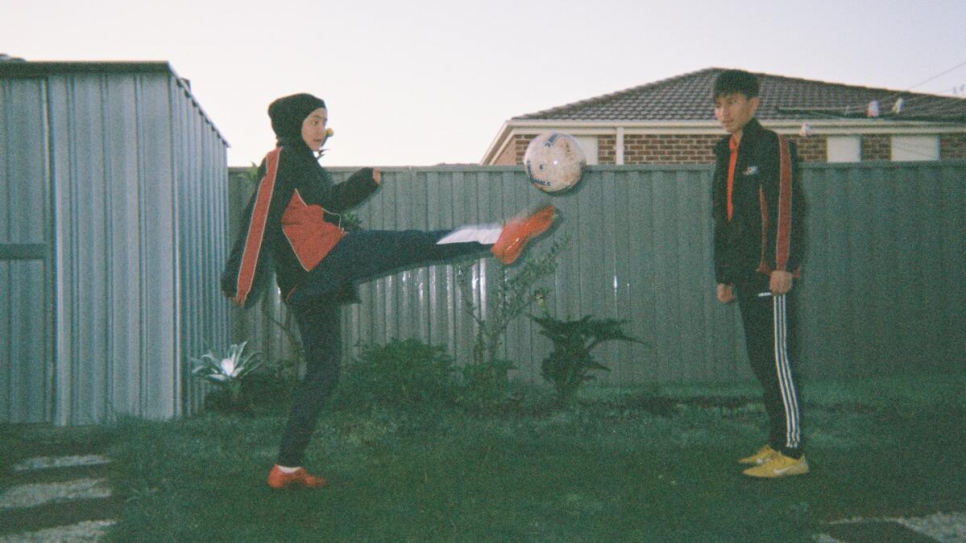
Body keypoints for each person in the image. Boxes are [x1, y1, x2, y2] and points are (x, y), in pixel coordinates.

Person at [221, 93, 556, 489]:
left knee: (323, 374)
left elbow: (326, 206)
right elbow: (258, 217)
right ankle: (500, 235)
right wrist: (239, 278)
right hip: (323, 259)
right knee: (412, 243)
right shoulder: (281, 160)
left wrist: (361, 185)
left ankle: (286, 468)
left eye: (324, 121)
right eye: (313, 121)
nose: (322, 130)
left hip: (309, 284)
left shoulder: (306, 167)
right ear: (292, 124)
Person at [710, 70, 808, 478]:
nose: (724, 111)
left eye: (732, 102)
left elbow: (787, 207)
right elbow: (724, 219)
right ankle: (775, 442)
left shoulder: (772, 146)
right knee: (760, 360)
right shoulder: (725, 152)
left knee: (776, 359)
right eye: (718, 104)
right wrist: (725, 275)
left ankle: (792, 453)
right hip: (745, 274)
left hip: (771, 273)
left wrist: (783, 264)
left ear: (753, 104)